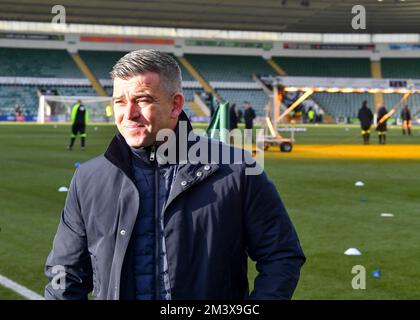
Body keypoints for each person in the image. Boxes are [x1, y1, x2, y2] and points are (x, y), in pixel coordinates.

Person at [45, 49, 305, 300]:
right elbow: (65, 273)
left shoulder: (236, 170)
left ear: (175, 104)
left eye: (143, 100)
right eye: (120, 102)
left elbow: (281, 256)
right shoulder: (89, 179)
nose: (129, 114)